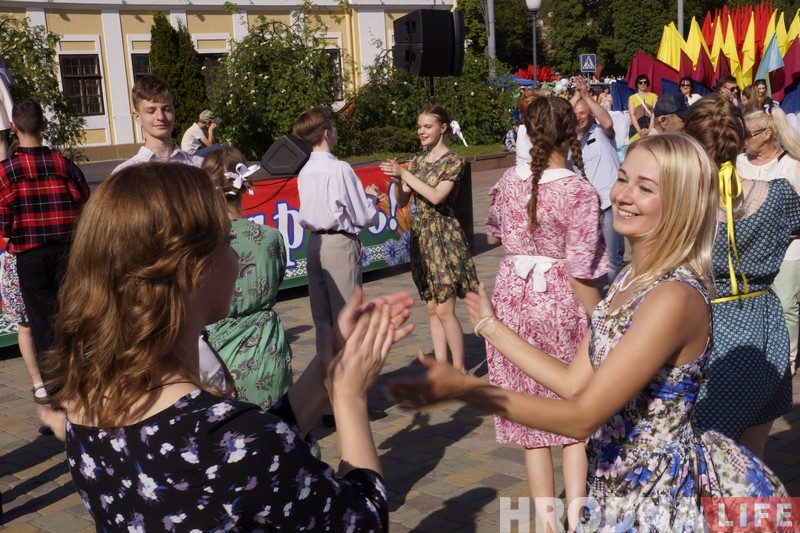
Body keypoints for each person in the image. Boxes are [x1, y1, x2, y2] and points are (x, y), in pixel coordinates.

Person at [389, 133, 788, 530]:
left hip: (654, 493)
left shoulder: (673, 297)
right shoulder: (631, 277)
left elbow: (582, 417)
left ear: (681, 205)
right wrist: (490, 327)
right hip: (614, 481)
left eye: (645, 187)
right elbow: (574, 381)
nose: (623, 195)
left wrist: (467, 391)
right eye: (623, 178)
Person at [37, 162, 415, 531]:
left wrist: (327, 369)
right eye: (227, 242)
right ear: (193, 271)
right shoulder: (236, 441)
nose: (236, 257)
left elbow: (240, 462)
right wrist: (348, 399)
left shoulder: (83, 405)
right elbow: (361, 519)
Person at [485, 96, 608, 532]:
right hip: (561, 298)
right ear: (570, 132)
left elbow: (494, 232)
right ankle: (577, 517)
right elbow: (584, 266)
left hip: (512, 299)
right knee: (573, 410)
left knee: (532, 418)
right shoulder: (578, 189)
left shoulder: (506, 181)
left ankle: (548, 524)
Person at [686, 95, 800, 459]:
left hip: (706, 328)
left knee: (704, 455)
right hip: (764, 326)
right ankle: (748, 515)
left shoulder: (682, 206)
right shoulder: (778, 195)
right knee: (752, 457)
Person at [380, 105, 479, 372]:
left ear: (443, 128)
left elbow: (437, 197)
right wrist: (395, 179)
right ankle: (441, 368)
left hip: (443, 237)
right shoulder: (416, 162)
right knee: (433, 309)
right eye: (419, 126)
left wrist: (405, 174)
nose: (421, 131)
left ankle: (458, 371)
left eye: (427, 126)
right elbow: (403, 199)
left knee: (446, 310)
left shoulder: (454, 161)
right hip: (421, 236)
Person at [0, 99, 90, 375]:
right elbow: (86, 205)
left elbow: (3, 222)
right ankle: (83, 374)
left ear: (13, 127)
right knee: (74, 314)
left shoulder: (5, 172)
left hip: (30, 256)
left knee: (41, 323)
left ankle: (56, 386)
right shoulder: (64, 165)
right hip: (68, 250)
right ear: (44, 125)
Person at [201, 146, 293, 409]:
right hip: (267, 348)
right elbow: (278, 280)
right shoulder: (270, 238)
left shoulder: (201, 244)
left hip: (216, 355)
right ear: (244, 185)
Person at [293, 106, 381, 350]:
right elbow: (363, 216)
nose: (335, 130)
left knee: (322, 321)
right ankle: (349, 382)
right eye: (333, 126)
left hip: (314, 244)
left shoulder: (305, 170)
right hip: (338, 245)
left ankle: (327, 379)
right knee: (347, 319)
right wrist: (372, 198)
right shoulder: (340, 168)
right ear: (325, 133)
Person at [736, 105, 800, 378]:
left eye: (749, 134)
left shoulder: (792, 165)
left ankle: (786, 359)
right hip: (746, 252)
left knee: (785, 305)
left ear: (768, 133)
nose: (744, 140)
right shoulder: (737, 163)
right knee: (750, 305)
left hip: (788, 250)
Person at [571, 76, 624, 286]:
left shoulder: (602, 132)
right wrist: (576, 96)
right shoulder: (569, 139)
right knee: (587, 260)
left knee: (613, 260)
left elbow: (608, 121)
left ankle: (615, 301)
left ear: (591, 114)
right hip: (585, 208)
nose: (579, 118)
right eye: (575, 115)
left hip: (609, 203)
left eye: (583, 114)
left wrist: (586, 96)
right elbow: (554, 120)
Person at [113, 75, 202, 174]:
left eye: (166, 110)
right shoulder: (126, 174)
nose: (161, 117)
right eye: (151, 111)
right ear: (137, 117)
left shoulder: (198, 165)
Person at [1, 253, 47, 405]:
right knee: (25, 325)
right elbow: (6, 236)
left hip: (49, 260)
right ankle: (37, 381)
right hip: (18, 263)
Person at [627, 74, 657, 138]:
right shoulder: (632, 98)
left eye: (645, 82)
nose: (643, 84)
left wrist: (650, 129)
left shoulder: (654, 96)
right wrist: (639, 130)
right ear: (637, 84)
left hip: (651, 127)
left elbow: (654, 113)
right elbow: (632, 115)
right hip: (635, 129)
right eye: (640, 82)